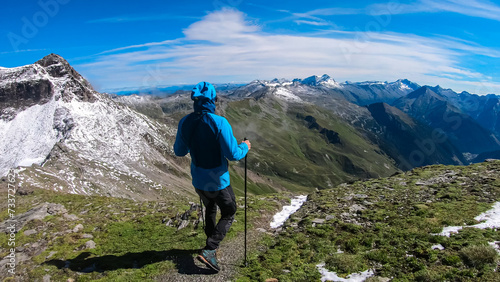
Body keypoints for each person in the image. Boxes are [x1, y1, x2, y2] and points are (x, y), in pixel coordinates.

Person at [173, 81, 251, 272]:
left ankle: (210, 245)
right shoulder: (220, 122)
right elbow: (233, 154)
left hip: (199, 181)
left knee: (210, 208)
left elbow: (179, 152)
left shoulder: (185, 122)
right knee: (230, 211)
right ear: (213, 100)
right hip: (218, 182)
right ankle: (210, 249)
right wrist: (246, 146)